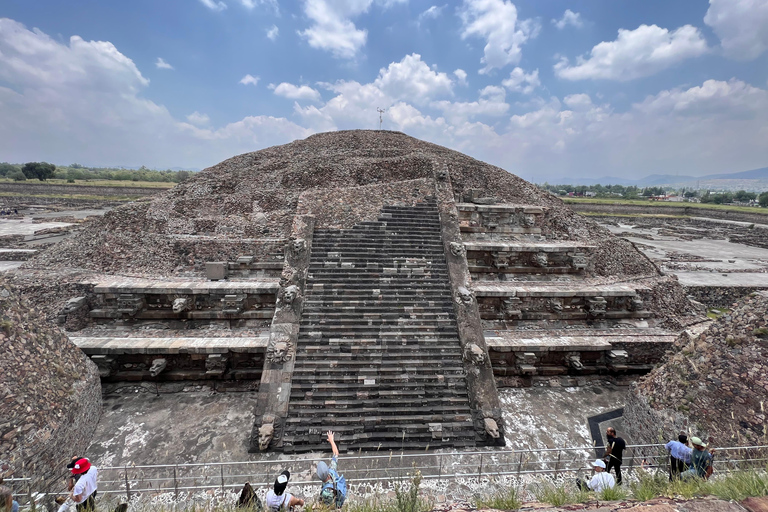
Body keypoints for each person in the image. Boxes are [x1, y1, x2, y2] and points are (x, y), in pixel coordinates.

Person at [315, 431, 347, 508]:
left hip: (334, 504)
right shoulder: (331, 471)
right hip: (338, 494)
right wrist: (332, 441)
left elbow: (328, 507)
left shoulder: (326, 492)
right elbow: (336, 454)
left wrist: (316, 506)